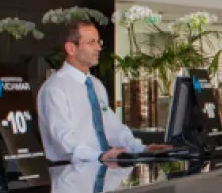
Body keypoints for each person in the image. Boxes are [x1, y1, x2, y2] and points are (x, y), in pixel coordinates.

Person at [37, 19, 153, 163]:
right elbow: (64, 140)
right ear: (71, 48)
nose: (98, 48)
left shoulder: (96, 85)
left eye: (98, 42)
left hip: (99, 166)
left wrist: (141, 149)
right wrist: (98, 156)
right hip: (69, 170)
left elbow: (111, 127)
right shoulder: (55, 88)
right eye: (91, 42)